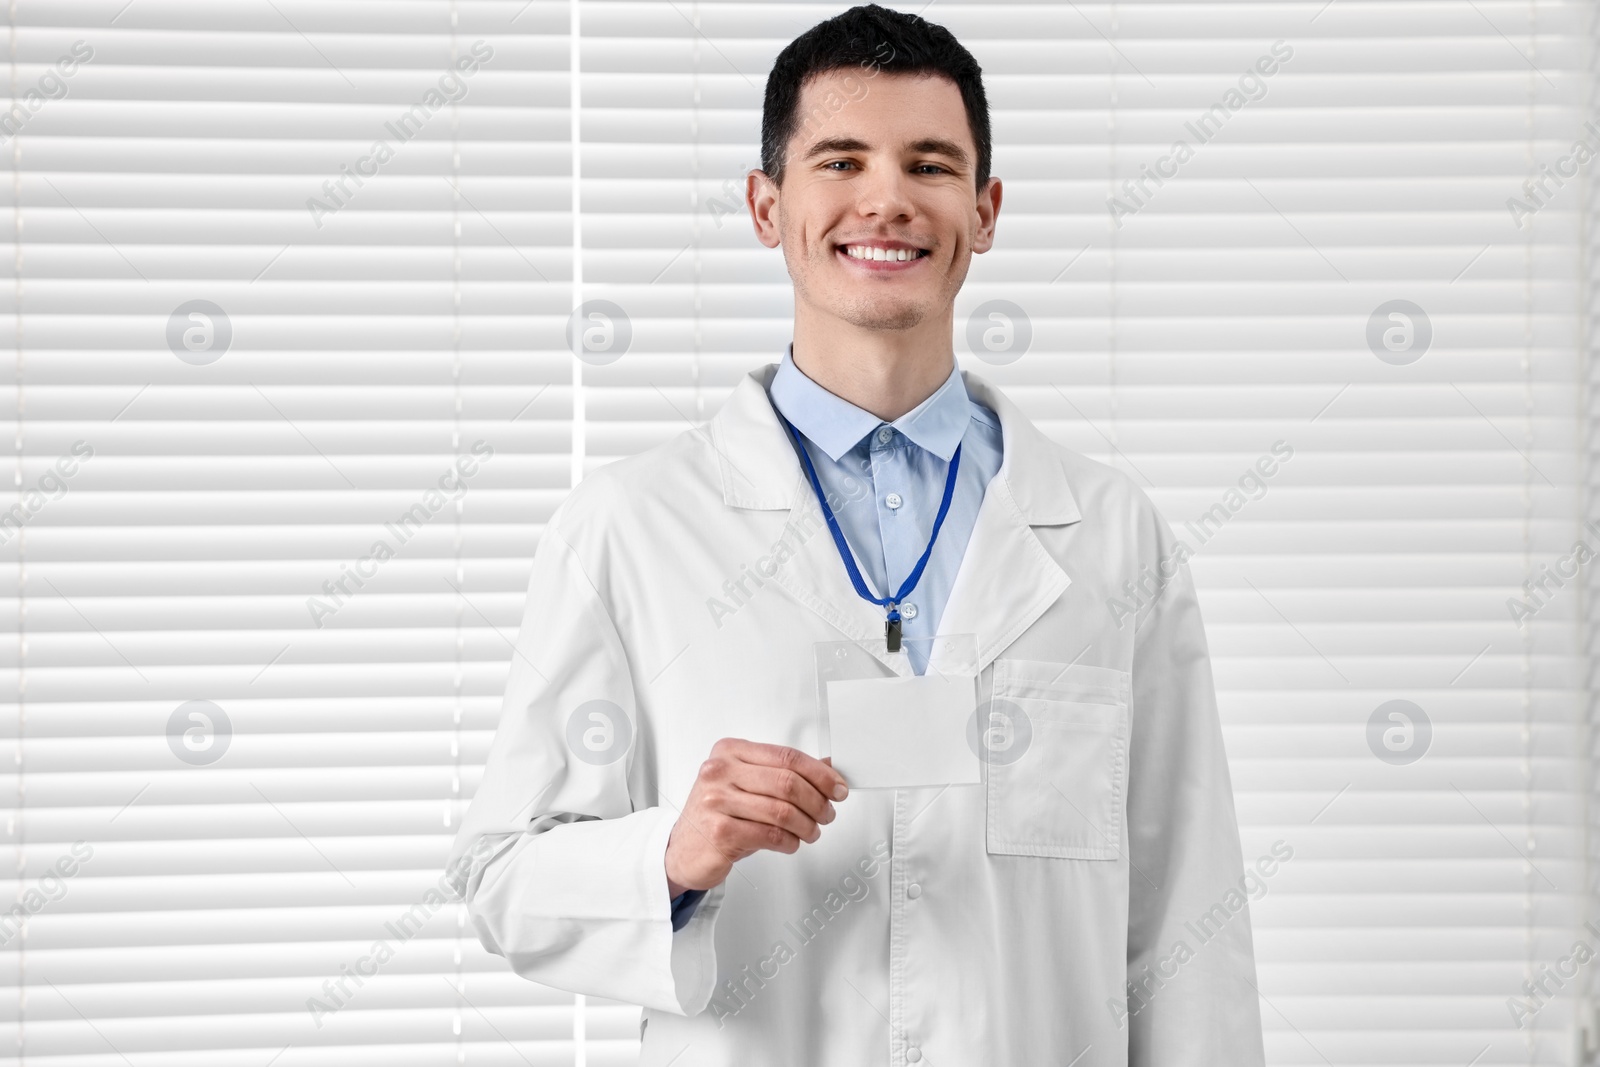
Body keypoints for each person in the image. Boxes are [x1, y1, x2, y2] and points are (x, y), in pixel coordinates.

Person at [446, 5, 1265, 1064]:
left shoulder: (1109, 534)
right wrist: (672, 853)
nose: (886, 199)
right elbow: (503, 874)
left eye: (930, 165)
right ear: (764, 202)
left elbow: (1188, 918)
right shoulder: (631, 526)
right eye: (840, 160)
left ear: (984, 210)